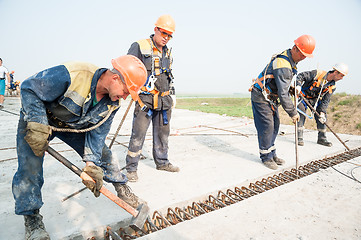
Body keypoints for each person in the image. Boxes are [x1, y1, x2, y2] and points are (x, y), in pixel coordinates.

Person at [12, 55, 147, 240]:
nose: (125, 96)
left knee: (105, 156)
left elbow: (97, 135)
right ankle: (32, 219)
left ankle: (122, 189)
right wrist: (37, 123)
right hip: (39, 120)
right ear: (116, 78)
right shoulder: (75, 74)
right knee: (29, 167)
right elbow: (28, 87)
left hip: (72, 125)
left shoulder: (112, 103)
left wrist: (91, 165)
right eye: (126, 91)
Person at [125, 14, 179, 182]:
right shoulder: (140, 46)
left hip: (164, 100)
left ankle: (162, 162)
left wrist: (172, 94)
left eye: (170, 35)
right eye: (164, 33)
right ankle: (131, 168)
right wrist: (132, 92)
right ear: (155, 29)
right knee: (138, 134)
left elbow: (168, 75)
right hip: (145, 101)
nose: (166, 38)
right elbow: (127, 69)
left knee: (163, 135)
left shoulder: (167, 51)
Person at [249, 35, 316, 170]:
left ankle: (272, 153)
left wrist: (289, 87)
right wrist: (293, 112)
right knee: (267, 126)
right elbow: (283, 93)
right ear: (295, 48)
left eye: (306, 56)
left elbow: (280, 84)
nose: (303, 58)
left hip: (270, 96)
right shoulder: (283, 63)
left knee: (275, 125)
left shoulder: (289, 59)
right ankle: (266, 157)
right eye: (302, 55)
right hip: (261, 96)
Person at [296, 63, 348, 147]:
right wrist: (298, 86)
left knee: (322, 117)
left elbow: (325, 101)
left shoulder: (332, 86)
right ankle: (299, 137)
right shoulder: (317, 74)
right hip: (303, 97)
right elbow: (301, 76)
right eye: (341, 76)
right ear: (335, 72)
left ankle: (322, 138)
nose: (341, 78)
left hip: (315, 100)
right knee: (301, 111)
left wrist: (322, 113)